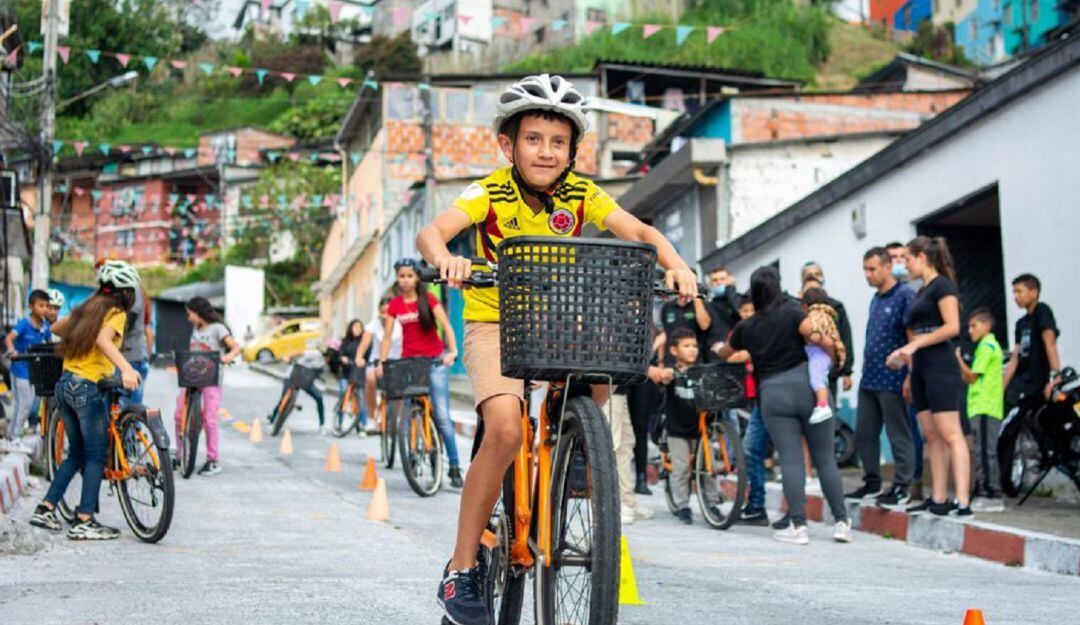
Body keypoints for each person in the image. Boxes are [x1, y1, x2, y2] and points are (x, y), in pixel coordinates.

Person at [414, 73, 699, 625]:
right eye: (533, 139)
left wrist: (677, 263)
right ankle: (461, 567)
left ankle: (578, 452)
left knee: (601, 354)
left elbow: (639, 232)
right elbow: (434, 231)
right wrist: (447, 257)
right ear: (508, 144)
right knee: (504, 429)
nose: (546, 151)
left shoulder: (582, 193)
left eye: (558, 142)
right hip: (494, 320)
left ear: (573, 149)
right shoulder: (489, 190)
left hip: (557, 319)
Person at [716, 267, 850, 545]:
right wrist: (832, 351)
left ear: (753, 293)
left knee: (791, 459)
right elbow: (813, 334)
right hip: (806, 386)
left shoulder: (746, 327)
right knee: (825, 459)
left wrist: (720, 348)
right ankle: (841, 522)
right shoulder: (792, 311)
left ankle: (798, 526)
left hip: (772, 394)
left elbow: (727, 352)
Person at [28, 261, 143, 540]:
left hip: (65, 385)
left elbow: (57, 327)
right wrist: (127, 368)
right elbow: (105, 341)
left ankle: (46, 507)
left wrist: (85, 314)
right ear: (126, 293)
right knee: (95, 455)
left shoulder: (89, 310)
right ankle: (84, 519)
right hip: (86, 388)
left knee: (77, 453)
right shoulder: (115, 313)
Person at [887, 236, 971, 516]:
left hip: (940, 364)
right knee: (931, 434)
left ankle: (962, 500)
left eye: (908, 259)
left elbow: (952, 327)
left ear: (922, 257)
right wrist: (905, 358)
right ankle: (938, 498)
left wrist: (915, 344)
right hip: (921, 366)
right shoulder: (921, 290)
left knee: (951, 433)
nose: (905, 265)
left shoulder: (943, 286)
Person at [377, 258, 463, 489]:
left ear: (417, 278)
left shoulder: (429, 300)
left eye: (409, 276)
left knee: (443, 416)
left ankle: (454, 466)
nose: (405, 280)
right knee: (406, 411)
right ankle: (413, 452)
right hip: (409, 362)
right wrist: (382, 362)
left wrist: (452, 351)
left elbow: (446, 325)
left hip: (434, 360)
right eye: (401, 276)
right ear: (397, 278)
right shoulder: (394, 305)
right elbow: (386, 337)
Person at [845, 247, 918, 508]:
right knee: (865, 432)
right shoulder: (876, 299)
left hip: (893, 379)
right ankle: (872, 481)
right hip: (870, 379)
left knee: (898, 433)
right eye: (865, 269)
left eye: (872, 269)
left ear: (888, 267)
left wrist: (909, 375)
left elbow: (912, 337)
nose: (868, 274)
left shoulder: (905, 295)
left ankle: (902, 485)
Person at [657, 328, 723, 524]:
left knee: (708, 467)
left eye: (694, 346)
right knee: (682, 468)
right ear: (675, 351)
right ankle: (682, 504)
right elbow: (664, 377)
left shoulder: (702, 371)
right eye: (686, 346)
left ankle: (711, 502)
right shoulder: (672, 371)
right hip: (677, 429)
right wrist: (666, 374)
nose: (692, 350)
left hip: (701, 429)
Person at [174, 297, 241, 476]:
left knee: (209, 419)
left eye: (190, 314)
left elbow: (235, 347)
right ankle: (180, 455)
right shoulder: (195, 329)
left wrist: (228, 356)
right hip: (192, 377)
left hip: (211, 379)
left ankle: (213, 460)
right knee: (179, 414)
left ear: (198, 312)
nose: (188, 318)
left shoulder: (218, 329)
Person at [957, 308, 1005, 512]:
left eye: (974, 325)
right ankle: (984, 489)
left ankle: (990, 493)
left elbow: (971, 377)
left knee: (985, 451)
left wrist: (958, 359)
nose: (970, 330)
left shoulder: (986, 346)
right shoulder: (984, 347)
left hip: (986, 406)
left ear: (986, 326)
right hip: (980, 407)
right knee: (981, 449)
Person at [886, 241, 925, 491]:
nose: (899, 262)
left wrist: (911, 373)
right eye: (894, 258)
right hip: (891, 374)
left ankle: (915, 479)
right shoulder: (885, 295)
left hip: (916, 369)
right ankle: (907, 478)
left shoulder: (916, 291)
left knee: (914, 428)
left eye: (903, 256)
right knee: (900, 429)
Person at [3, 290, 52, 452]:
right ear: (31, 307)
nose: (44, 309)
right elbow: (9, 338)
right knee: (25, 403)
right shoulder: (24, 323)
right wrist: (12, 351)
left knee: (23, 404)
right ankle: (16, 436)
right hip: (20, 368)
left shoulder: (45, 326)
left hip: (34, 369)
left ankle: (11, 435)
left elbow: (48, 342)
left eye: (46, 305)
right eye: (41, 305)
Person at [1003, 274, 1061, 410]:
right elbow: (1014, 359)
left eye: (1019, 291)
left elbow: (1050, 343)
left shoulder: (1042, 311)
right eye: (1014, 292)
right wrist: (1001, 389)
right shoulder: (1020, 323)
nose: (1015, 297)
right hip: (1022, 383)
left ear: (1034, 293)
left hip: (1038, 381)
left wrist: (1056, 377)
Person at [800, 262, 855, 400]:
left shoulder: (835, 307)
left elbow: (844, 337)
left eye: (818, 274)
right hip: (803, 370)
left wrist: (847, 371)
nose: (815, 278)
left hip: (830, 370)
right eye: (810, 275)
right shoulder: (797, 308)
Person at [801, 287, 846, 425]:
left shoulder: (815, 315)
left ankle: (822, 405)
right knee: (820, 377)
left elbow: (815, 335)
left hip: (818, 353)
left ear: (805, 305)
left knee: (816, 378)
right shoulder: (828, 315)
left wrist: (809, 335)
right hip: (825, 354)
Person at [611, 386, 655, 526]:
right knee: (613, 445)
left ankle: (627, 501)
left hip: (620, 388)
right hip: (608, 386)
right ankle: (611, 505)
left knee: (625, 444)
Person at [357, 297, 402, 431]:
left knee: (401, 387)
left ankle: (398, 418)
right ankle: (372, 417)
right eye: (382, 312)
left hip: (397, 361)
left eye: (388, 312)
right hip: (377, 361)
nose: (385, 316)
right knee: (370, 378)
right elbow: (364, 343)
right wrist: (359, 356)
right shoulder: (373, 325)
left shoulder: (400, 324)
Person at [268, 347, 326, 430]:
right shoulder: (316, 354)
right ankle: (272, 420)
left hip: (305, 380)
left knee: (319, 397)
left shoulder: (323, 364)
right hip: (292, 375)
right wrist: (287, 357)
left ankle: (322, 424)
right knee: (284, 398)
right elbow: (298, 351)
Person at [120, 282, 154, 404]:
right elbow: (150, 334)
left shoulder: (134, 292)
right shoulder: (145, 306)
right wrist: (147, 356)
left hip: (131, 357)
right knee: (134, 407)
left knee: (127, 405)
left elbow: (128, 324)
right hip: (140, 356)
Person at [336, 319, 370, 434]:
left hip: (358, 372)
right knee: (343, 393)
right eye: (355, 327)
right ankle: (340, 422)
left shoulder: (365, 342)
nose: (357, 329)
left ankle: (363, 425)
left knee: (361, 397)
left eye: (359, 327)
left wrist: (365, 361)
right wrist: (343, 358)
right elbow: (340, 354)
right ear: (350, 328)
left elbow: (368, 356)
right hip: (346, 372)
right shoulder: (345, 341)